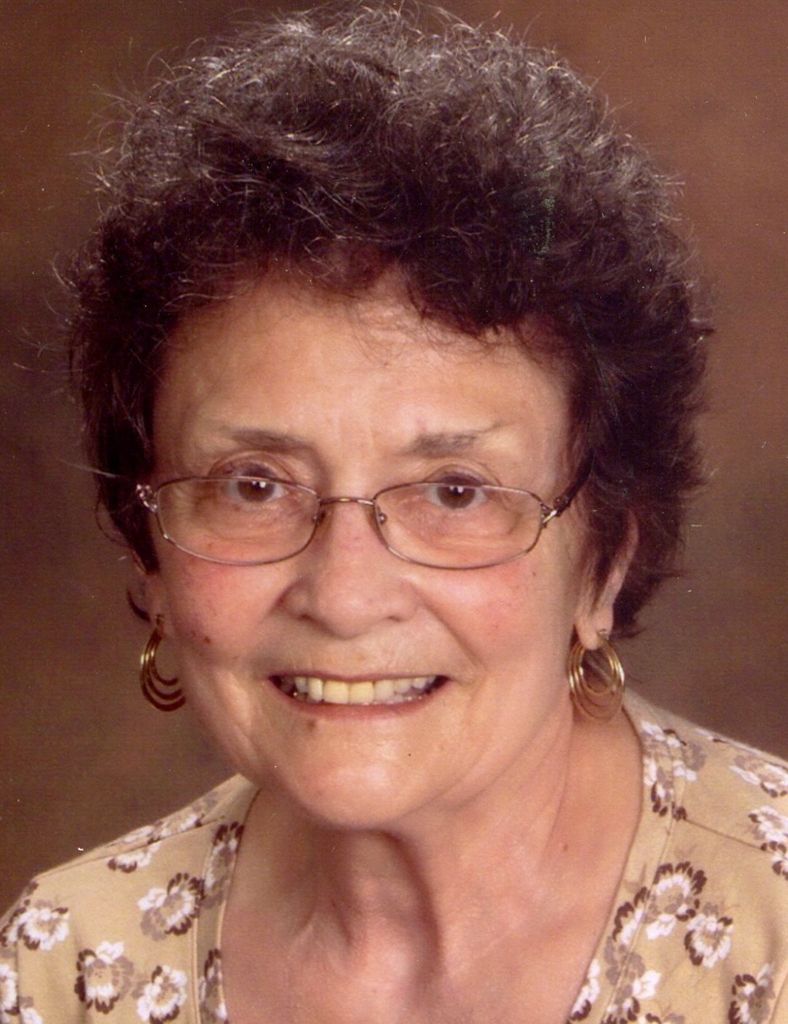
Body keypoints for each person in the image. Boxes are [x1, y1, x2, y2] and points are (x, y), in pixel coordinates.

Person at [1, 6, 785, 1023]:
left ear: (603, 563)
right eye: (253, 485)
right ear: (150, 556)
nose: (344, 595)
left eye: (455, 492)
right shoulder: (65, 961)